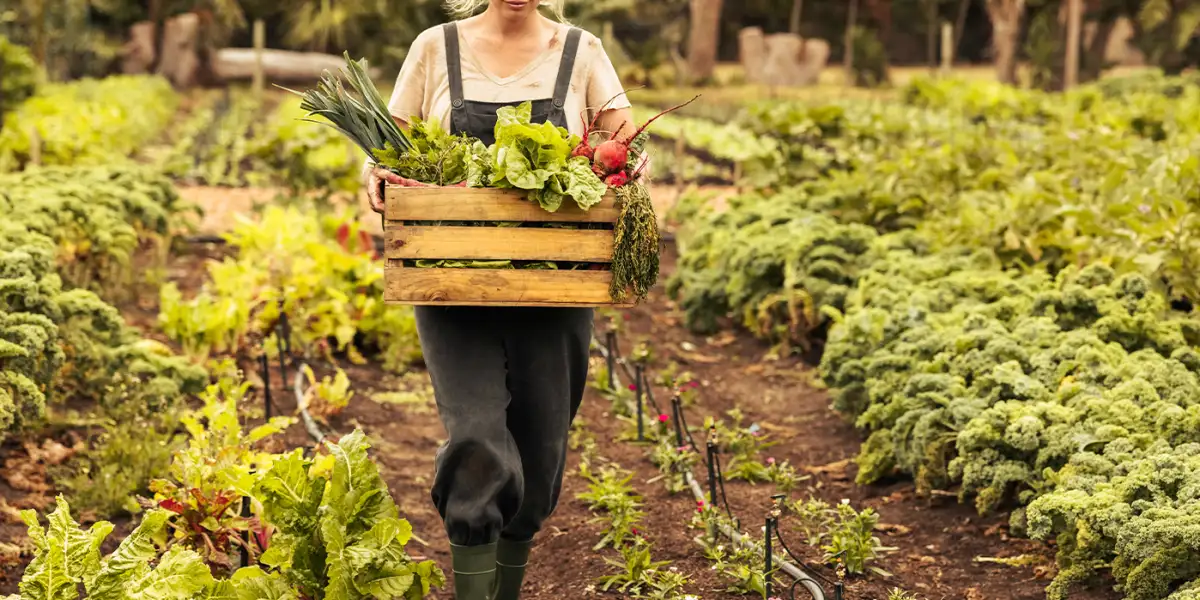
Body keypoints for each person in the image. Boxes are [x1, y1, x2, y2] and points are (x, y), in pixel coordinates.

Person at [362, 1, 638, 598]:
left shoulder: (581, 51)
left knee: (541, 454)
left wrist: (624, 169)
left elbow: (624, 144)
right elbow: (389, 151)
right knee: (476, 442)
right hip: (451, 283)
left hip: (556, 286)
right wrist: (377, 176)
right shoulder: (435, 48)